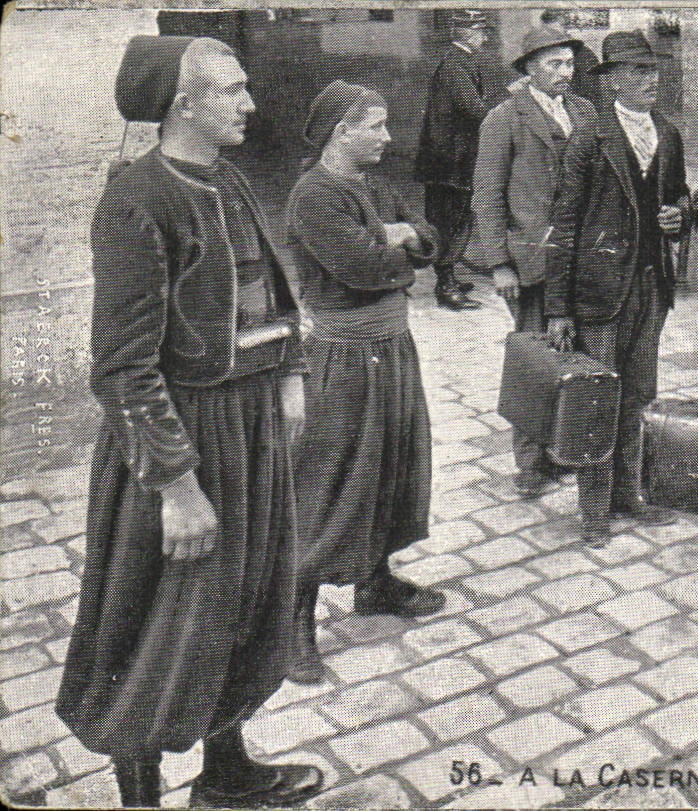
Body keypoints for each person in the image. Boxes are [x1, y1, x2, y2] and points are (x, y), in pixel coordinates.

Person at [56, 35, 323, 808]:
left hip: (247, 430)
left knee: (237, 604)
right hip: (179, 439)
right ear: (185, 103)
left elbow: (271, 289)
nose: (249, 104)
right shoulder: (138, 199)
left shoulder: (227, 177)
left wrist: (291, 375)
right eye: (233, 90)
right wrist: (176, 485)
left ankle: (226, 769)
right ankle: (139, 793)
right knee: (156, 626)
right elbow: (121, 366)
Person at [283, 81, 446, 685]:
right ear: (339, 131)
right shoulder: (313, 196)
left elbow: (429, 237)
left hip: (392, 347)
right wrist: (395, 240)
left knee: (395, 465)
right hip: (344, 358)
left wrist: (405, 238)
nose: (386, 136)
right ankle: (292, 618)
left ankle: (374, 583)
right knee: (331, 481)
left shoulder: (373, 184)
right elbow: (363, 267)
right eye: (373, 126)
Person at [546, 31, 691, 548]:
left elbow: (679, 200)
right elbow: (563, 227)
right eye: (636, 73)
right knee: (598, 399)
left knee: (641, 396)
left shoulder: (669, 135)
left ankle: (630, 494)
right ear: (610, 83)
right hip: (600, 293)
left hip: (651, 287)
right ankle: (594, 511)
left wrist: (685, 214)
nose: (649, 82)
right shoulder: (589, 139)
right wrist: (558, 309)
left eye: (652, 72)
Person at [469, 26, 596, 499]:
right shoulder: (504, 119)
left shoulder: (584, 111)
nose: (566, 73)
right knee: (532, 358)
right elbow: (486, 196)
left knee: (572, 352)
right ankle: (529, 464)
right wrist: (499, 263)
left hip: (579, 256)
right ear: (528, 70)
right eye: (553, 64)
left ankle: (564, 448)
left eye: (569, 63)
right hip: (531, 259)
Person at [415, 9, 492, 311]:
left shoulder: (456, 62)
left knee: (451, 218)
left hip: (447, 159)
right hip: (452, 161)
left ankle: (448, 276)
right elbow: (474, 110)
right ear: (468, 34)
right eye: (481, 32)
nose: (485, 38)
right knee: (453, 221)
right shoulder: (457, 65)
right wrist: (505, 112)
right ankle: (446, 285)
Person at [538, 9, 603, 106]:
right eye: (546, 33)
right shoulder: (542, 53)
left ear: (565, 31)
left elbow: (591, 95)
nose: (550, 38)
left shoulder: (584, 55)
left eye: (555, 33)